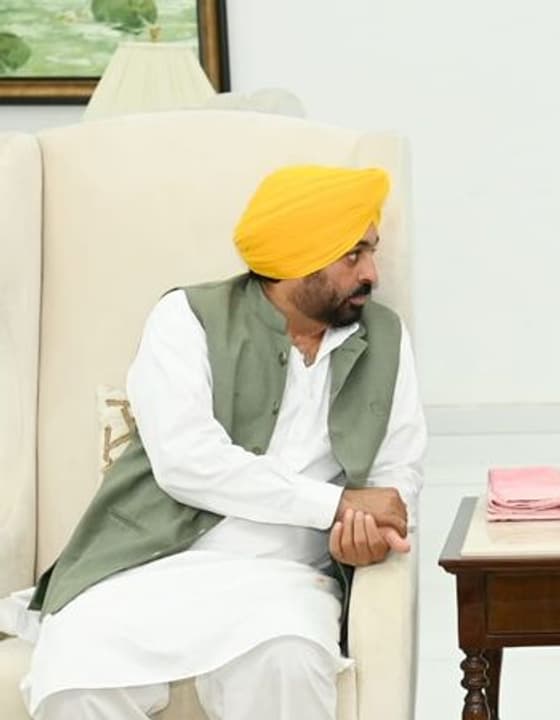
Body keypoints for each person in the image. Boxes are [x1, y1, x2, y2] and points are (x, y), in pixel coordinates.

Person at [21, 164, 428, 720]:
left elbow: (398, 471)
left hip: (285, 580)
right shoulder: (186, 318)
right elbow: (187, 461)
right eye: (352, 255)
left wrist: (372, 533)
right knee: (74, 676)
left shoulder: (384, 337)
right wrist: (335, 504)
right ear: (298, 257)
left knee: (289, 659)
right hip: (149, 566)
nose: (372, 274)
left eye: (371, 252)